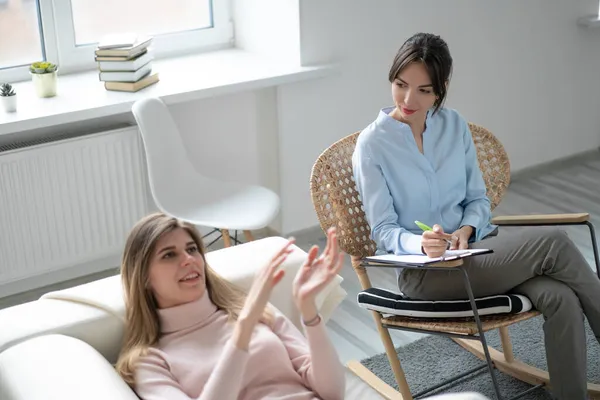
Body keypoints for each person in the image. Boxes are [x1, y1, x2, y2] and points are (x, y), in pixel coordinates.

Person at [352, 32, 600, 400]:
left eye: (424, 89)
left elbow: (478, 199)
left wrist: (467, 228)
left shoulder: (454, 126)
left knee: (559, 296)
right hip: (428, 275)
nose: (408, 99)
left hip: (479, 252)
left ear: (441, 89)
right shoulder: (372, 146)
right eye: (401, 84)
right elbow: (384, 230)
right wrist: (420, 243)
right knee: (554, 242)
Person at [114, 212, 346, 400]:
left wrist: (309, 313)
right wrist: (242, 332)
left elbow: (332, 392)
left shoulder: (252, 311)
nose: (189, 260)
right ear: (143, 276)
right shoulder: (148, 361)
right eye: (169, 255)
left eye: (192, 249)